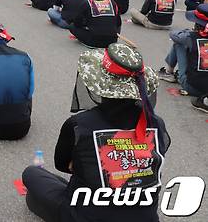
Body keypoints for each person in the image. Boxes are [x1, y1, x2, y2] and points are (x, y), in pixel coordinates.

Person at [22, 43, 168, 222]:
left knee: (32, 174)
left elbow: (62, 165)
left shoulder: (80, 124)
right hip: (145, 217)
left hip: (87, 215)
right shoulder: (156, 123)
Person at [159, 4, 208, 103]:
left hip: (192, 87)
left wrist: (187, 31)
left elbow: (174, 35)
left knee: (178, 44)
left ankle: (169, 73)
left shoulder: (190, 37)